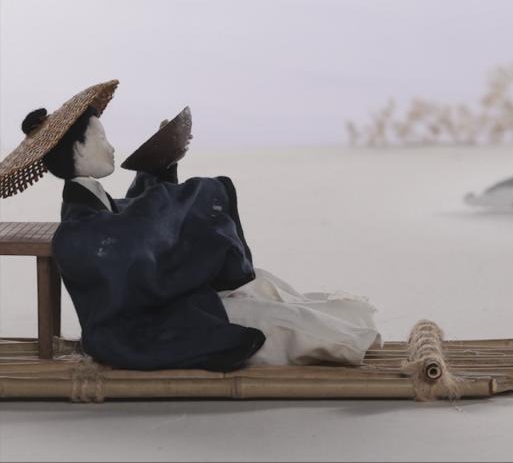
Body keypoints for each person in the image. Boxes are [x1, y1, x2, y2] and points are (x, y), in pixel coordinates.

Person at [0, 80, 380, 371]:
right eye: (101, 138)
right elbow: (136, 233)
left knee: (263, 285)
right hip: (143, 324)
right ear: (78, 149)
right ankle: (357, 341)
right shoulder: (79, 228)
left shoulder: (94, 208)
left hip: (167, 302)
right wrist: (185, 196)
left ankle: (359, 325)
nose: (111, 147)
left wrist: (160, 163)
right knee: (279, 319)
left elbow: (133, 217)